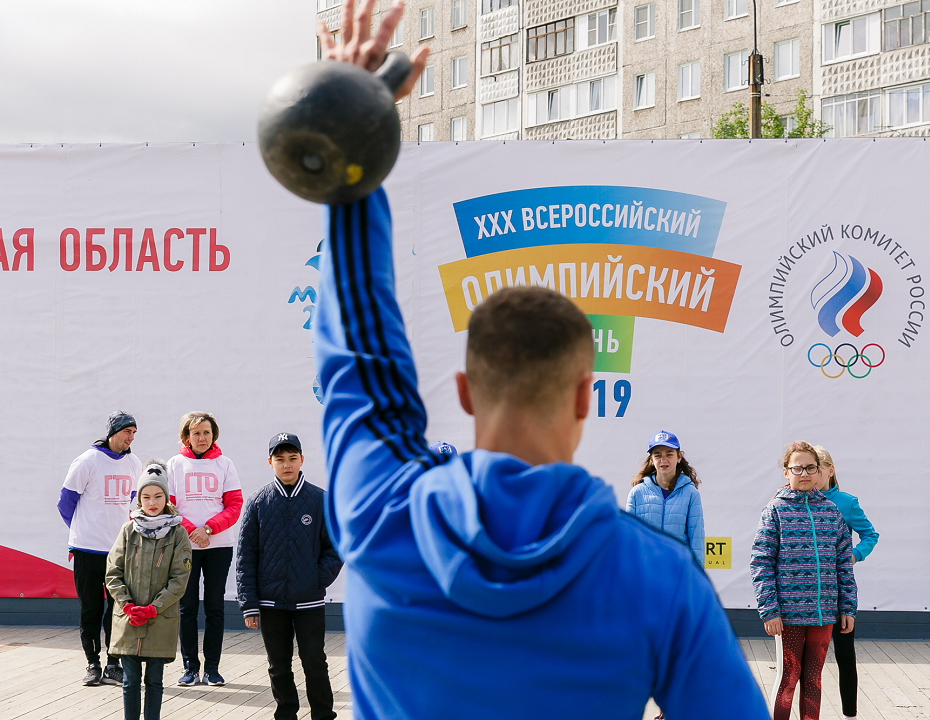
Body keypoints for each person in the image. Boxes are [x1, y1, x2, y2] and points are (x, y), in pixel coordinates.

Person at [310, 2, 770, 717]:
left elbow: (359, 354)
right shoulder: (658, 576)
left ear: (465, 391)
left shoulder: (381, 513)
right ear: (586, 396)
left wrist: (351, 146)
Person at [236, 433, 343, 720]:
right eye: (280, 459)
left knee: (314, 661)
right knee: (278, 665)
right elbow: (246, 556)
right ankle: (286, 714)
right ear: (270, 462)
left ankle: (323, 714)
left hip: (309, 601)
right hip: (271, 604)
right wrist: (249, 603)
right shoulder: (258, 503)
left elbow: (335, 548)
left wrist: (315, 580)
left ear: (301, 460)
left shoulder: (320, 500)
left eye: (292, 459)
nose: (287, 465)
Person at [750, 441, 857, 720]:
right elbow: (761, 563)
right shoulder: (774, 511)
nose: (805, 473)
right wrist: (770, 611)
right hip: (788, 617)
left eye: (811, 467)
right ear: (786, 472)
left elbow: (843, 564)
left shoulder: (832, 512)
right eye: (797, 467)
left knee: (814, 680)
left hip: (824, 615)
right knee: (788, 679)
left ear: (820, 471)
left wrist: (847, 608)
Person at [57, 410, 142, 686]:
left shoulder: (134, 464)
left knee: (117, 609)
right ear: (112, 433)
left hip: (118, 551)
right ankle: (92, 664)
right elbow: (65, 503)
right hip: (86, 551)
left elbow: (128, 503)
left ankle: (113, 664)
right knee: (91, 609)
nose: (130, 437)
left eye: (133, 433)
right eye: (126, 431)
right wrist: (82, 531)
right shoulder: (88, 461)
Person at [105, 461, 192, 720]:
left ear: (166, 497)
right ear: (138, 499)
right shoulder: (127, 530)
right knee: (130, 681)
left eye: (158, 496)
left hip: (160, 620)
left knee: (154, 681)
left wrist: (154, 607)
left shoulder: (177, 533)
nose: (152, 502)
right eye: (146, 496)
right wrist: (127, 605)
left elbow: (180, 578)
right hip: (127, 619)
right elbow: (113, 572)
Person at [166, 411, 243, 686]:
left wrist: (208, 529)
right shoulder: (174, 464)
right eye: (196, 433)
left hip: (218, 546)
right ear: (186, 436)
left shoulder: (224, 464)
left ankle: (212, 668)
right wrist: (192, 531)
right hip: (185, 547)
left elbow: (234, 506)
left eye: (207, 432)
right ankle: (190, 668)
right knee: (186, 608)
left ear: (214, 435)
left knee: (214, 607)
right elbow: (169, 506)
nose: (202, 437)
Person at [814, 444, 879, 720]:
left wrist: (854, 555)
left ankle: (849, 714)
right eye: (807, 468)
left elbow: (870, 534)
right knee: (810, 662)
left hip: (840, 591)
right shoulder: (797, 501)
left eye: (817, 468)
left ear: (830, 470)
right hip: (810, 593)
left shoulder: (847, 502)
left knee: (845, 656)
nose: (812, 475)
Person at [625, 431, 705, 568]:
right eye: (657, 455)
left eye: (669, 454)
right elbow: (629, 539)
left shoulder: (691, 494)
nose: (663, 460)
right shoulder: (636, 493)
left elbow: (696, 541)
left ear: (679, 457)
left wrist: (695, 579)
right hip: (646, 571)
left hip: (678, 572)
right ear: (651, 460)